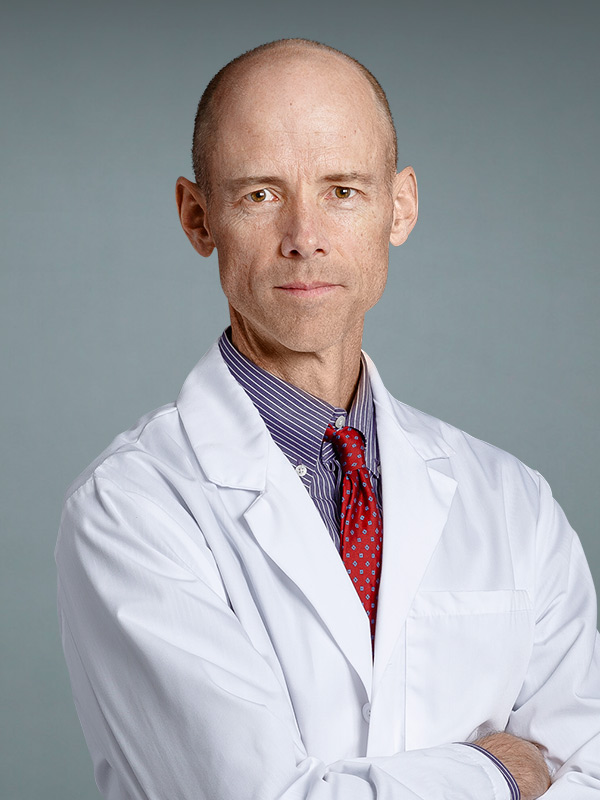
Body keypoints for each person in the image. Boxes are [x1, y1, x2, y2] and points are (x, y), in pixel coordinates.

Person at [56, 39, 600, 800]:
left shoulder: (515, 505)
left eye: (342, 190)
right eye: (260, 194)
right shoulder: (131, 509)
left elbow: (590, 771)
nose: (304, 236)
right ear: (197, 217)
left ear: (399, 207)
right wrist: (500, 773)